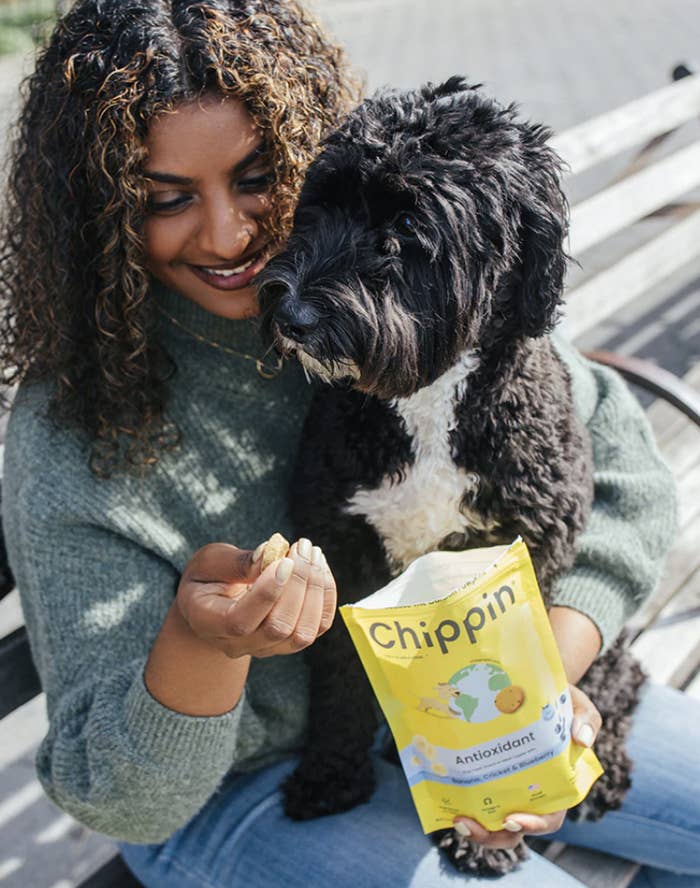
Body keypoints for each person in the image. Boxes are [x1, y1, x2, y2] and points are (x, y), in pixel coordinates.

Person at [0, 2, 697, 886]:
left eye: (256, 179)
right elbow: (120, 799)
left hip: (475, 692)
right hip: (238, 788)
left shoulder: (422, 283)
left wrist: (547, 678)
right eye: (166, 199)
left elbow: (624, 469)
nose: (226, 236)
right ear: (96, 210)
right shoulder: (71, 430)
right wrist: (204, 644)